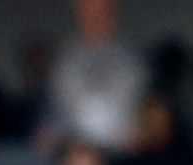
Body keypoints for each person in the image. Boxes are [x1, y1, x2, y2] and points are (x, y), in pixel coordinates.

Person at [45, 0, 144, 152]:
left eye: (101, 9)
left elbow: (148, 112)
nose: (95, 16)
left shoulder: (134, 60)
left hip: (126, 154)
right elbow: (55, 113)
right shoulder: (64, 61)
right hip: (79, 156)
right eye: (87, 10)